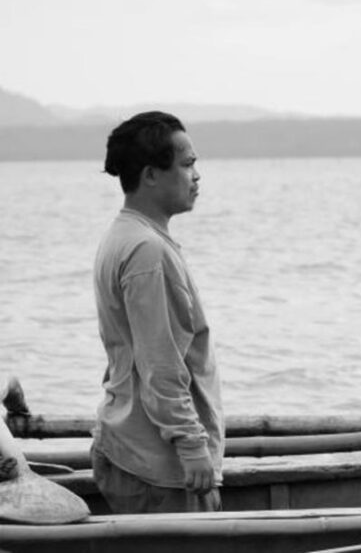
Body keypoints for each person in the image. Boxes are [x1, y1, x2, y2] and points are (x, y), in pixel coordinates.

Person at [92, 111, 224, 513]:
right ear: (150, 174)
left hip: (137, 451)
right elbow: (160, 363)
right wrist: (192, 445)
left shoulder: (126, 235)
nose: (196, 175)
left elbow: (130, 352)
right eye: (186, 165)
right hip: (157, 467)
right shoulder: (147, 251)